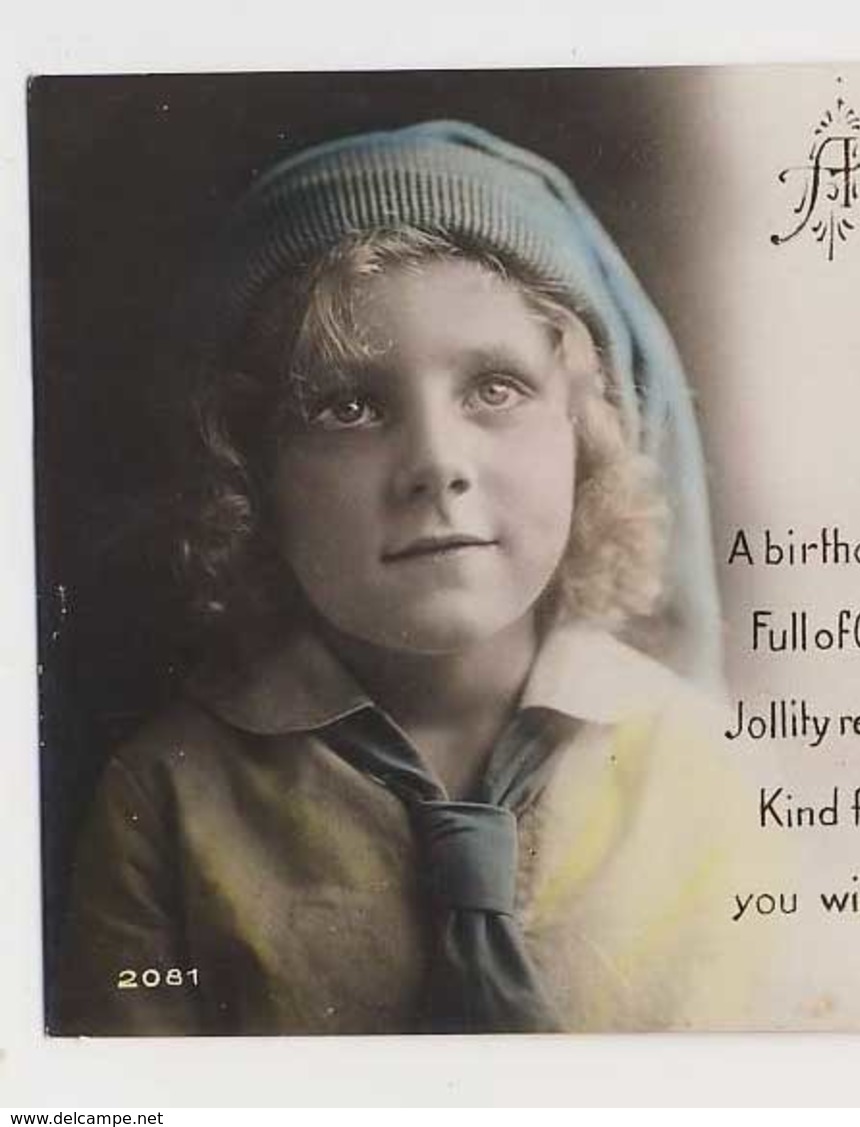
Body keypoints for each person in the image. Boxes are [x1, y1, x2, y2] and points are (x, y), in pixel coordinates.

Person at [57, 121, 764, 1035]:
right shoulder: (164, 800)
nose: (436, 462)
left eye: (495, 389)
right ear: (253, 473)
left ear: (586, 438)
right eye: (348, 405)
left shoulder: (702, 768)